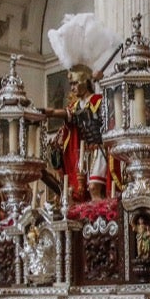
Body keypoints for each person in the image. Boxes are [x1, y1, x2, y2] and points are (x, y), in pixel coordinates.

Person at [45, 65, 110, 202]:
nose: (72, 88)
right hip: (85, 153)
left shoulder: (98, 100)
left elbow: (112, 102)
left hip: (100, 149)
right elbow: (69, 115)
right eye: (71, 84)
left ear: (85, 82)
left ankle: (100, 219)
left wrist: (102, 81)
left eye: (75, 83)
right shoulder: (75, 106)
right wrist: (47, 113)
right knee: (85, 191)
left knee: (94, 187)